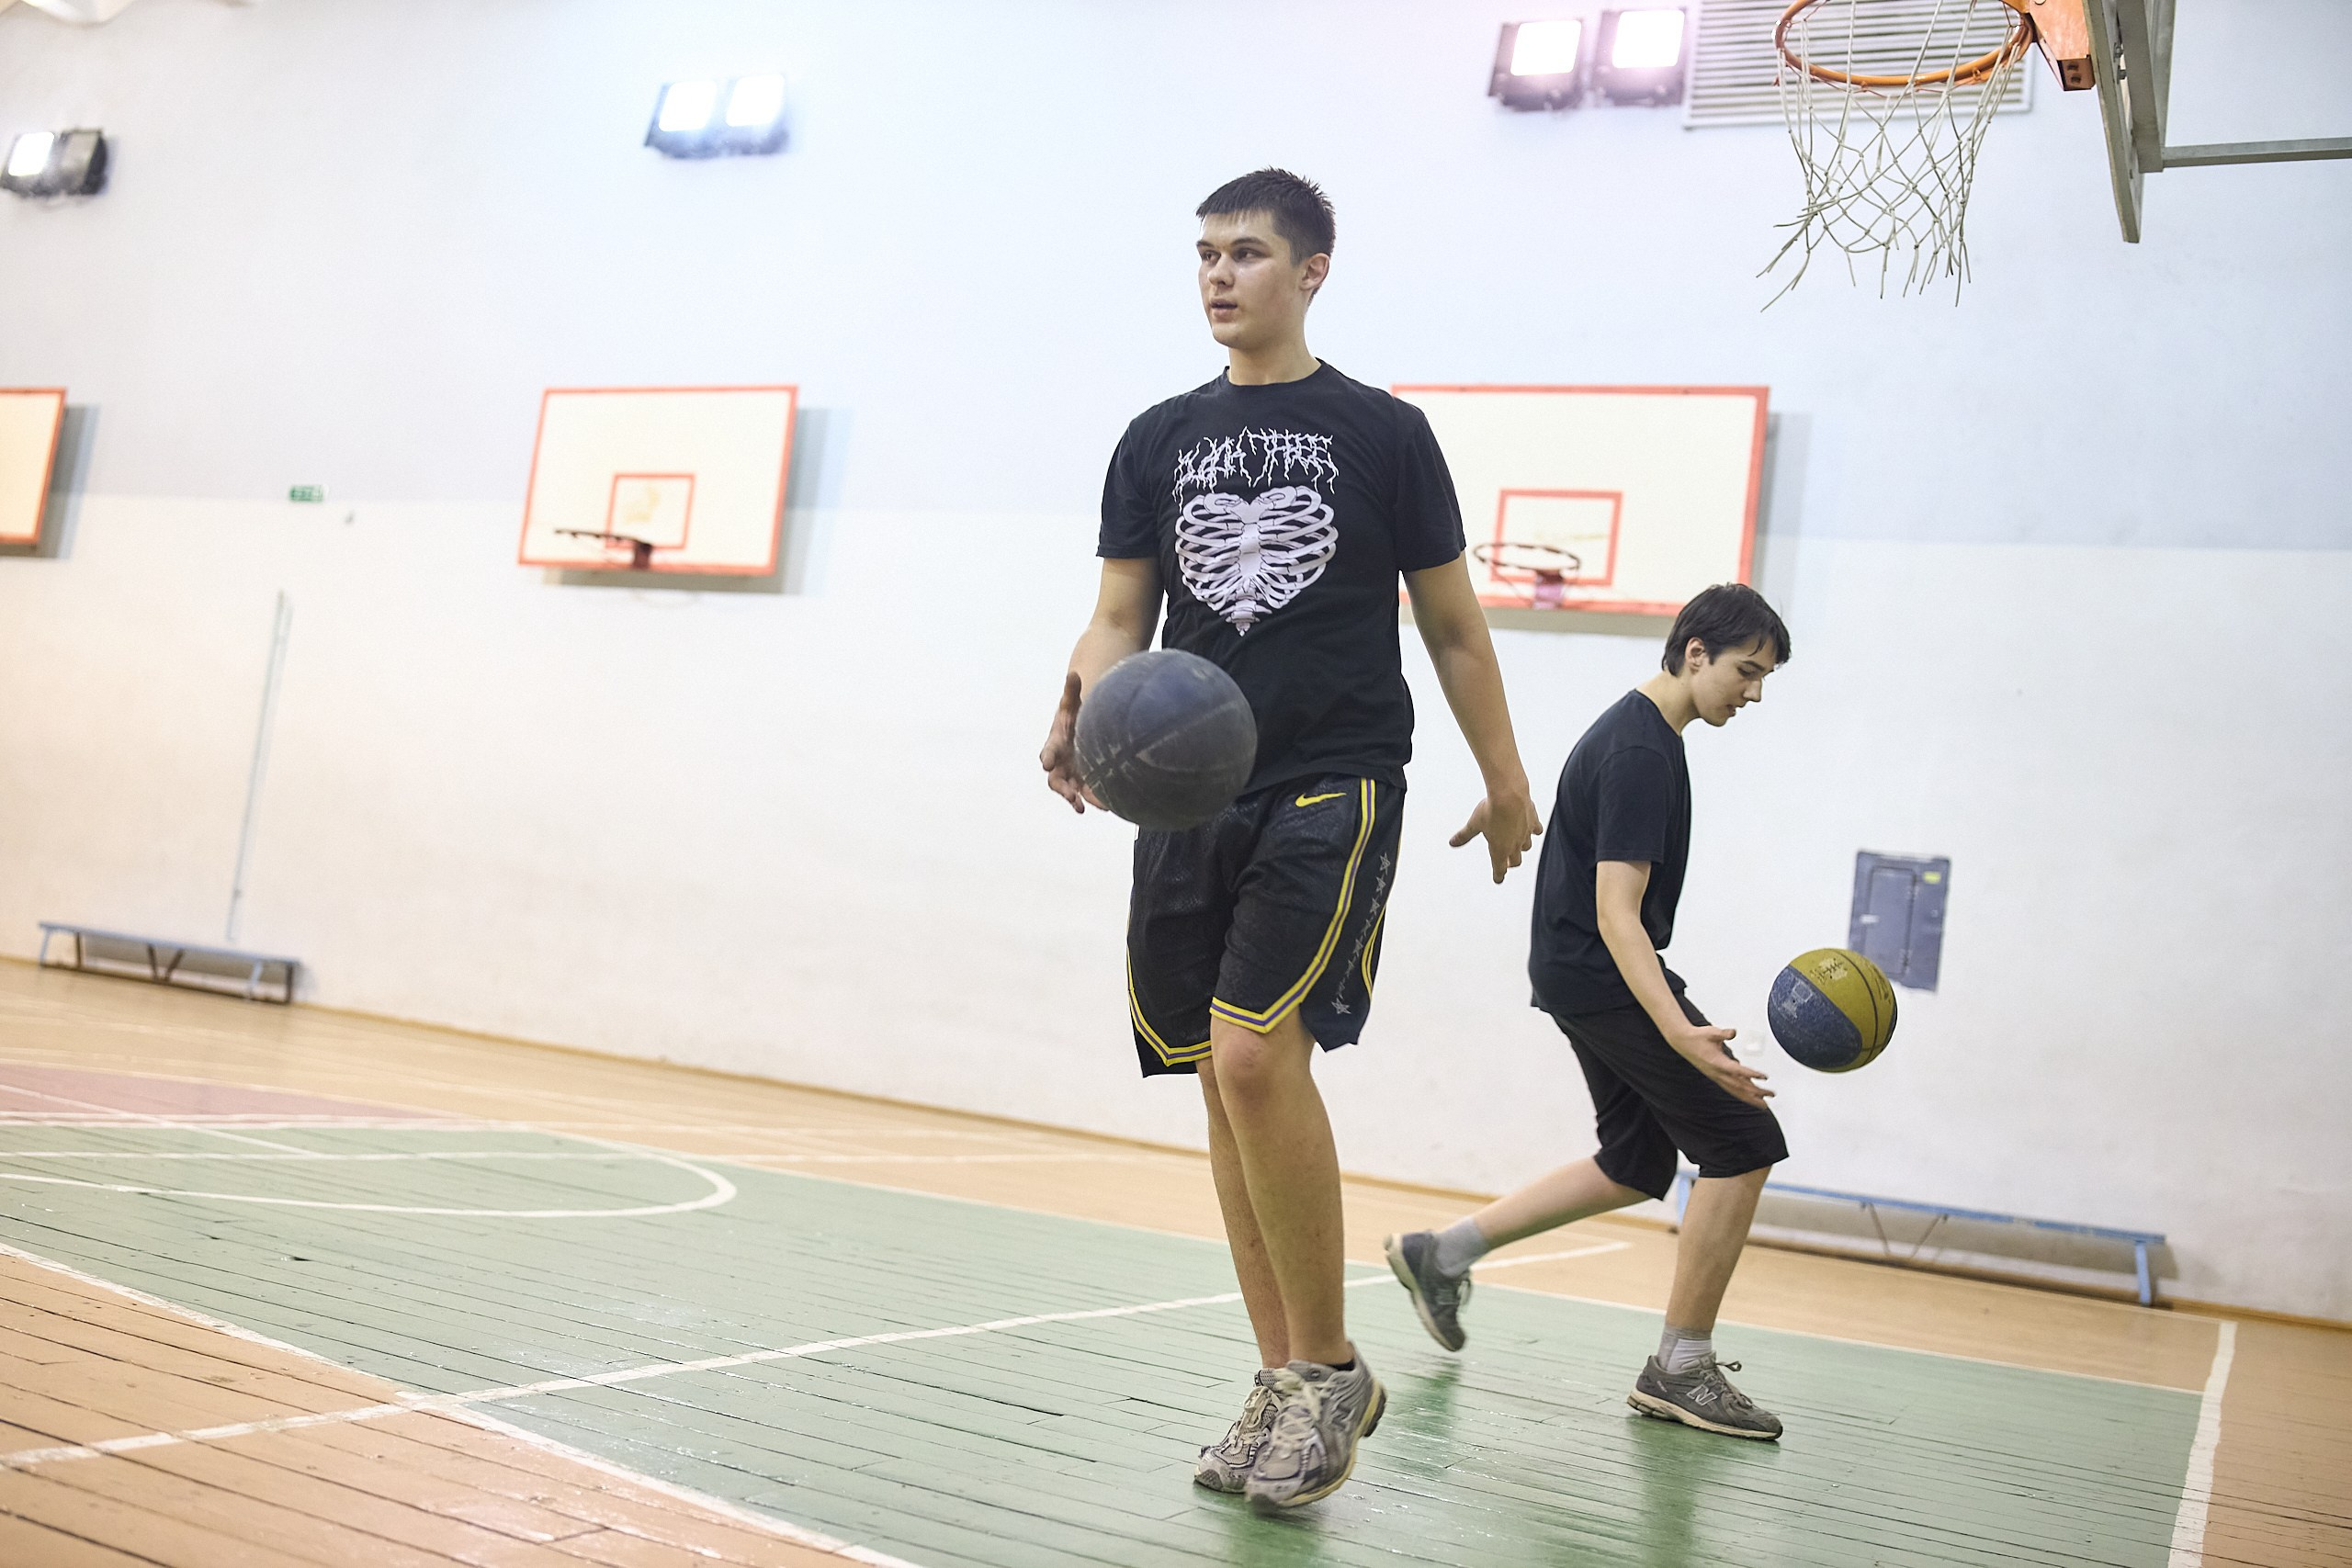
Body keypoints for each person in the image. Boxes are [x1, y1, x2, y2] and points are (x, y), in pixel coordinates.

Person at [1038, 168, 1542, 1508]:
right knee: (1217, 1073)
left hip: (1332, 769)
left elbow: (1450, 623)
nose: (1218, 275)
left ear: (1312, 270)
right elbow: (1119, 609)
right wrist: (1081, 702)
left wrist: (1505, 776)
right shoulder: (1155, 435)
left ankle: (1322, 1368)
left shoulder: (1382, 430)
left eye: (1246, 253)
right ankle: (1285, 1375)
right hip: (1185, 789)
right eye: (1204, 253)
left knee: (1261, 1053)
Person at [1384, 584, 1794, 1440]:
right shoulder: (1643, 750)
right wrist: (1680, 1028)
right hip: (1600, 969)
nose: (1753, 694)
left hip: (1578, 971)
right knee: (1742, 1139)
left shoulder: (1641, 734)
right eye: (1746, 672)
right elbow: (1618, 912)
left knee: (1637, 1160)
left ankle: (1442, 1252)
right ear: (1693, 652)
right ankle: (1681, 1367)